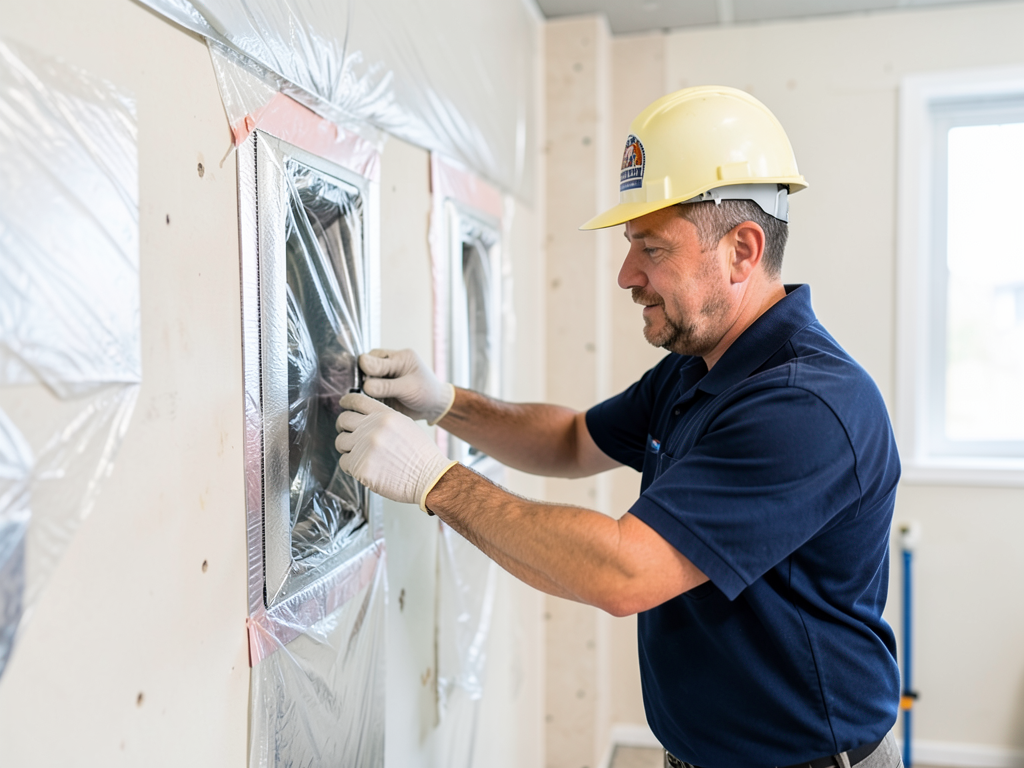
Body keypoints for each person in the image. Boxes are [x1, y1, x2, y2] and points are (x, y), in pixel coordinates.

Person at [334, 86, 903, 768]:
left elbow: (623, 573)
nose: (627, 275)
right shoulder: (699, 365)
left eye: (651, 248)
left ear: (742, 251)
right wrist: (446, 402)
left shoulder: (804, 407)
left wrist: (434, 481)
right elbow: (573, 440)